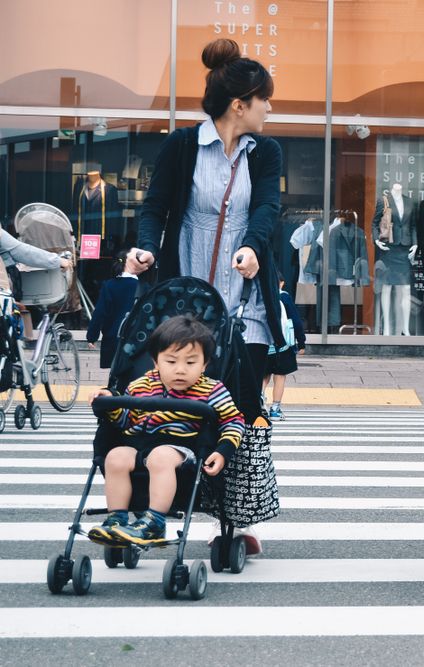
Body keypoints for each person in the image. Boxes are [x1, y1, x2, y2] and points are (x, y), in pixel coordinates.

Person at [125, 37, 284, 554]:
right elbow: (155, 208)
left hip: (245, 298)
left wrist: (253, 247)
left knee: (240, 407)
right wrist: (148, 249)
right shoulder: (182, 145)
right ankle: (149, 501)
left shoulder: (266, 150)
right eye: (265, 99)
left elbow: (266, 209)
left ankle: (234, 522)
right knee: (172, 398)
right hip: (185, 296)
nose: (269, 108)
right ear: (241, 103)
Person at [87, 315, 245, 546]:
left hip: (183, 446)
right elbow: (125, 421)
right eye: (171, 362)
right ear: (156, 361)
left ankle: (155, 521)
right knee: (115, 456)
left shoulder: (212, 389)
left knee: (160, 456)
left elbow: (233, 420)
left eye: (190, 363)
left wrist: (223, 450)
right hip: (140, 442)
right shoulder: (141, 385)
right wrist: (111, 402)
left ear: (205, 364)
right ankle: (117, 519)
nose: (180, 370)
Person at [263, 271, 305, 421]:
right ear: (281, 283)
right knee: (280, 377)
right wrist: (301, 342)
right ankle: (275, 409)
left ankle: (261, 404)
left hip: (265, 344)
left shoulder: (262, 296)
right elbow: (296, 321)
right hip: (284, 345)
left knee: (264, 376)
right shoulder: (284, 297)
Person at [86, 251, 138, 368]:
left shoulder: (109, 285)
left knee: (114, 370)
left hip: (112, 338)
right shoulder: (141, 285)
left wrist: (92, 337)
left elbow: (99, 313)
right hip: (136, 338)